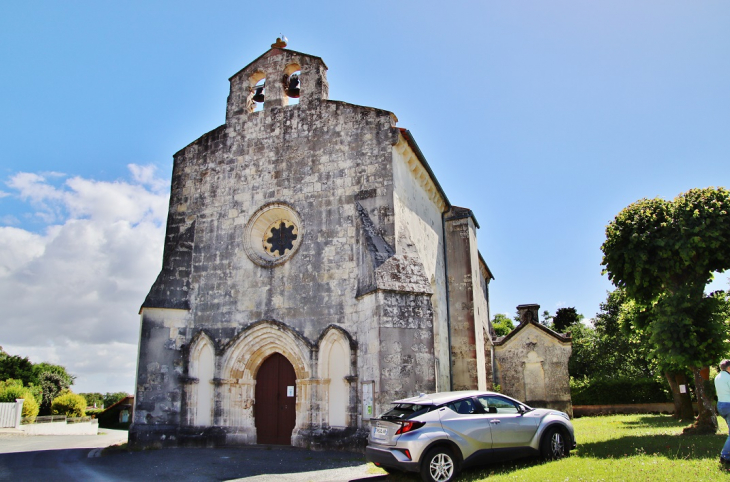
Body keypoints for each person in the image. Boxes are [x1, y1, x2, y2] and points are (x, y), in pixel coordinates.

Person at [715, 359, 730, 464]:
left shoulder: (718, 377)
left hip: (721, 405)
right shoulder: (728, 377)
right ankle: (725, 456)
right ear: (728, 367)